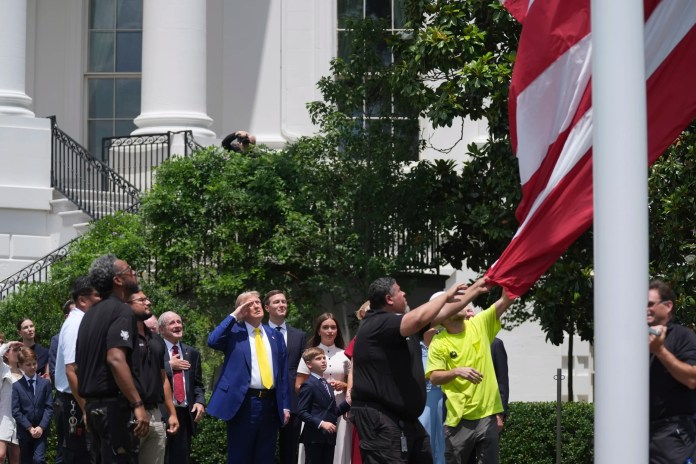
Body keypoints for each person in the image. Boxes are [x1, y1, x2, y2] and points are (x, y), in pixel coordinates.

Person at [351, 277, 485, 464]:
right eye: (399, 291)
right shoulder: (378, 323)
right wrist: (447, 295)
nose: (404, 293)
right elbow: (420, 317)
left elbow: (444, 312)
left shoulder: (400, 326)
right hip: (381, 421)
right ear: (389, 299)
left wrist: (476, 289)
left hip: (405, 420)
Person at [75, 254, 150, 463]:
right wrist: (137, 403)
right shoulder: (121, 311)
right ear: (117, 280)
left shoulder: (89, 315)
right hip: (114, 410)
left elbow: (78, 367)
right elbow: (115, 359)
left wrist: (87, 408)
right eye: (128, 269)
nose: (133, 272)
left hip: (94, 409)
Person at [426, 288, 512, 464]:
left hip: (487, 415)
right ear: (442, 316)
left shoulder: (479, 323)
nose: (460, 303)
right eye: (451, 303)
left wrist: (511, 276)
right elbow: (434, 377)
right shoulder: (439, 342)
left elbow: (505, 301)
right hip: (458, 420)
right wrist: (456, 371)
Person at [207, 290, 291, 464]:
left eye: (258, 302)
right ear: (241, 310)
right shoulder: (234, 333)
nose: (256, 306)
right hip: (244, 403)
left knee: (266, 457)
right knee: (240, 456)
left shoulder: (275, 335)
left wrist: (285, 405)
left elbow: (282, 374)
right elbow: (213, 341)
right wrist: (234, 316)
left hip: (270, 404)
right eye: (249, 304)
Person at [647, 279, 696, 463]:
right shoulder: (633, 339)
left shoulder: (683, 337)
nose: (645, 309)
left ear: (668, 306)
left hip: (672, 434)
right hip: (636, 433)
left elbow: (692, 379)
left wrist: (660, 350)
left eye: (650, 304)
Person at [127, 290, 179, 464]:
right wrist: (137, 405)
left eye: (147, 299)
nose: (147, 302)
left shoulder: (156, 340)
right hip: (129, 413)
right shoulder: (122, 337)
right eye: (141, 300)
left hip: (155, 414)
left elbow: (163, 378)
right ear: (127, 305)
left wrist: (172, 413)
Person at [55, 277, 101, 463]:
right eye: (98, 295)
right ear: (82, 300)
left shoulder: (86, 321)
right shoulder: (76, 325)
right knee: (81, 455)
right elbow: (72, 370)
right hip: (75, 401)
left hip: (81, 399)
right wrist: (86, 408)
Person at [296, 313, 350, 464]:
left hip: (339, 408)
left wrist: (344, 385)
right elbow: (299, 386)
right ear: (319, 331)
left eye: (333, 327)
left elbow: (351, 384)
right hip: (314, 411)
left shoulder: (345, 355)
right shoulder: (309, 354)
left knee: (337, 450)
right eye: (325, 327)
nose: (329, 331)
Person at [264, 290, 307, 464]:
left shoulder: (299, 335)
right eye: (277, 302)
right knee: (264, 448)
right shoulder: (259, 333)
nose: (282, 305)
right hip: (265, 397)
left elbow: (303, 369)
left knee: (289, 450)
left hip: (292, 399)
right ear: (267, 307)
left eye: (284, 302)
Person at [158, 311, 206, 464]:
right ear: (161, 329)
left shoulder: (192, 353)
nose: (178, 325)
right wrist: (168, 366)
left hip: (185, 415)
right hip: (161, 414)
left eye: (179, 322)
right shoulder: (155, 350)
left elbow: (198, 384)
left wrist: (200, 402)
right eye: (172, 323)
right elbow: (147, 375)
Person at [11, 347, 53, 464]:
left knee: (39, 459)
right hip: (25, 431)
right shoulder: (17, 386)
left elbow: (49, 407)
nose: (33, 367)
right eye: (28, 364)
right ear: (21, 366)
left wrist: (41, 427)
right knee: (26, 460)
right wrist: (29, 427)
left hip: (41, 430)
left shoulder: (45, 383)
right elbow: (16, 410)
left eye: (34, 363)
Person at [0, 341, 23, 464]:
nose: (17, 352)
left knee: (16, 458)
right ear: (6, 354)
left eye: (19, 350)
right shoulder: (3, 369)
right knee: (1, 455)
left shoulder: (24, 372)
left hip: (19, 418)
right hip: (4, 416)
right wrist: (8, 344)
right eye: (14, 350)